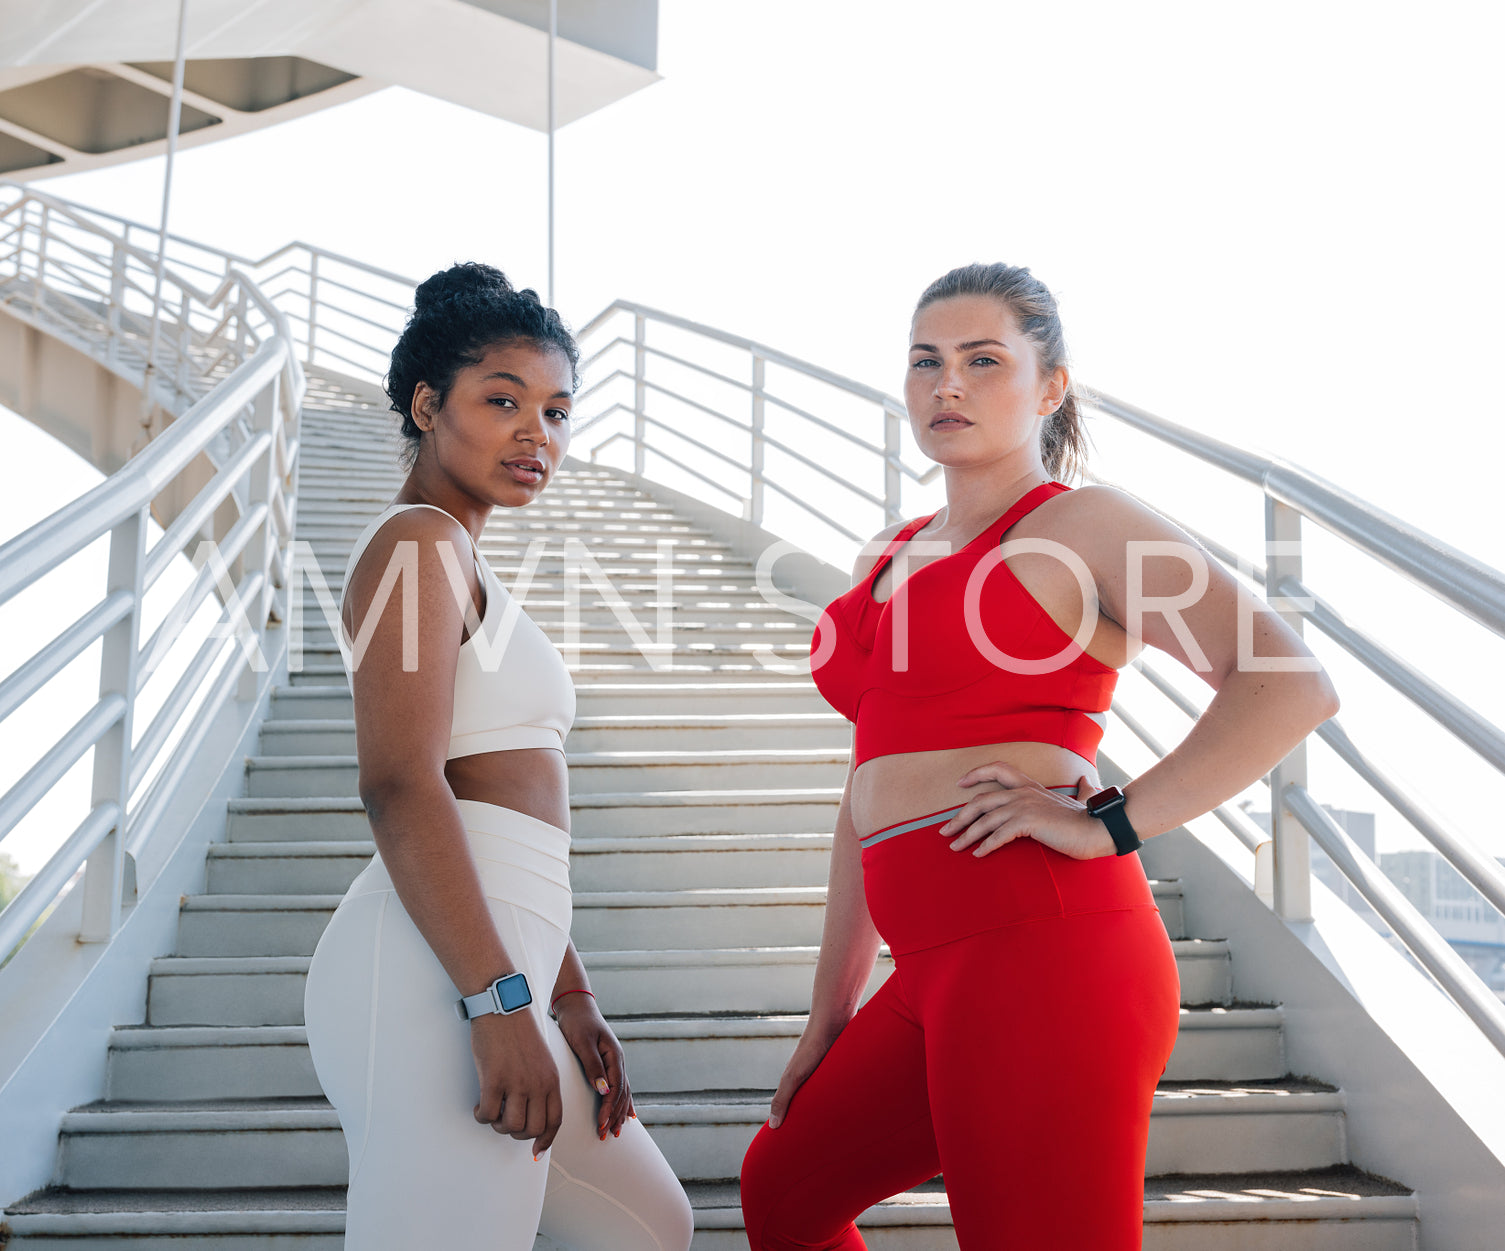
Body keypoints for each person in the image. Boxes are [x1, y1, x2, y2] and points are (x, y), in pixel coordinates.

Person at [738, 263, 1339, 1249]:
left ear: (1048, 387)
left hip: (1044, 950)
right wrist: (828, 1010)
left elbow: (1286, 681)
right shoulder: (881, 558)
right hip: (924, 974)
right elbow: (864, 793)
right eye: (925, 362)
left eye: (982, 361)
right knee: (784, 1194)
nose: (947, 386)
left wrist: (1110, 821)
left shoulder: (1081, 526)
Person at [303, 263, 694, 1251]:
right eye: (504, 401)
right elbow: (399, 783)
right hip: (437, 976)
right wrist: (495, 999)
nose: (538, 434)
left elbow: (499, 801)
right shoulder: (415, 544)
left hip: (502, 963)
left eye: (559, 411)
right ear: (427, 405)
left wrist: (566, 991)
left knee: (646, 1229)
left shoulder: (458, 554)